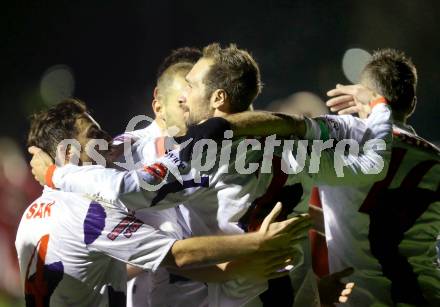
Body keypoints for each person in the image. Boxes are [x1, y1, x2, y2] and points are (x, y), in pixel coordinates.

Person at [16, 99, 310, 307]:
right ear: (67, 155)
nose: (108, 139)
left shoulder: (32, 213)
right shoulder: (89, 213)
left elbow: (154, 261)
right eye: (94, 135)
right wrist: (259, 243)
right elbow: (177, 256)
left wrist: (232, 271)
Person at [324, 48, 440, 306]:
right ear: (412, 103)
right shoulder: (436, 161)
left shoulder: (343, 142)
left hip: (363, 299)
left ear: (359, 97)